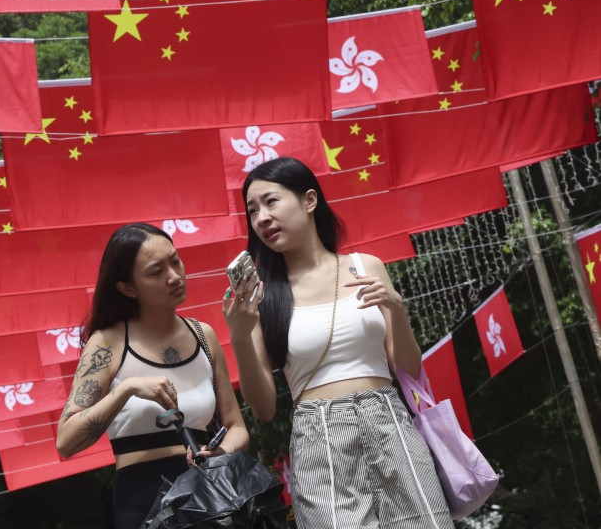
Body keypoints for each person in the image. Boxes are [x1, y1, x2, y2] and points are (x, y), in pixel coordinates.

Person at [224, 157, 454, 529]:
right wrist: (239, 337)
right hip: (319, 436)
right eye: (252, 211)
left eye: (271, 201)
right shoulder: (260, 297)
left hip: (389, 421)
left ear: (309, 200)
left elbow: (408, 370)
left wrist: (396, 310)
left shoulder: (367, 267)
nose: (262, 217)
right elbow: (264, 408)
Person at [56, 223, 249, 529]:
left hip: (210, 495)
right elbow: (65, 442)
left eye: (175, 261)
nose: (174, 276)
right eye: (156, 271)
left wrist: (220, 451)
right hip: (144, 501)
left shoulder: (204, 335)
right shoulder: (107, 343)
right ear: (127, 288)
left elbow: (236, 426)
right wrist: (127, 390)